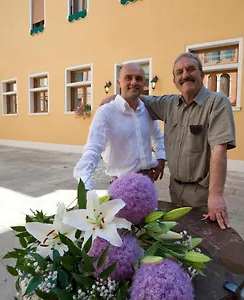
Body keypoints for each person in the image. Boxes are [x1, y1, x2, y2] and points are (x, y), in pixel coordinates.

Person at [100, 53, 236, 230]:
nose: (185, 75)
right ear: (175, 81)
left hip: (202, 194)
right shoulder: (170, 104)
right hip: (176, 189)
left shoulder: (217, 103)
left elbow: (219, 150)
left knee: (204, 243)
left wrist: (216, 195)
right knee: (182, 237)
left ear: (202, 75)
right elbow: (139, 97)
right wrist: (115, 98)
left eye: (190, 69)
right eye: (179, 72)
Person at [74, 63, 166, 190]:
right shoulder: (107, 112)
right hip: (121, 185)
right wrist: (85, 185)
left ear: (143, 83)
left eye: (138, 78)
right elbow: (93, 148)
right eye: (128, 77)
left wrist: (161, 157)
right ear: (119, 82)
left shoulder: (147, 110)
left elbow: (158, 136)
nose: (134, 82)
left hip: (148, 182)